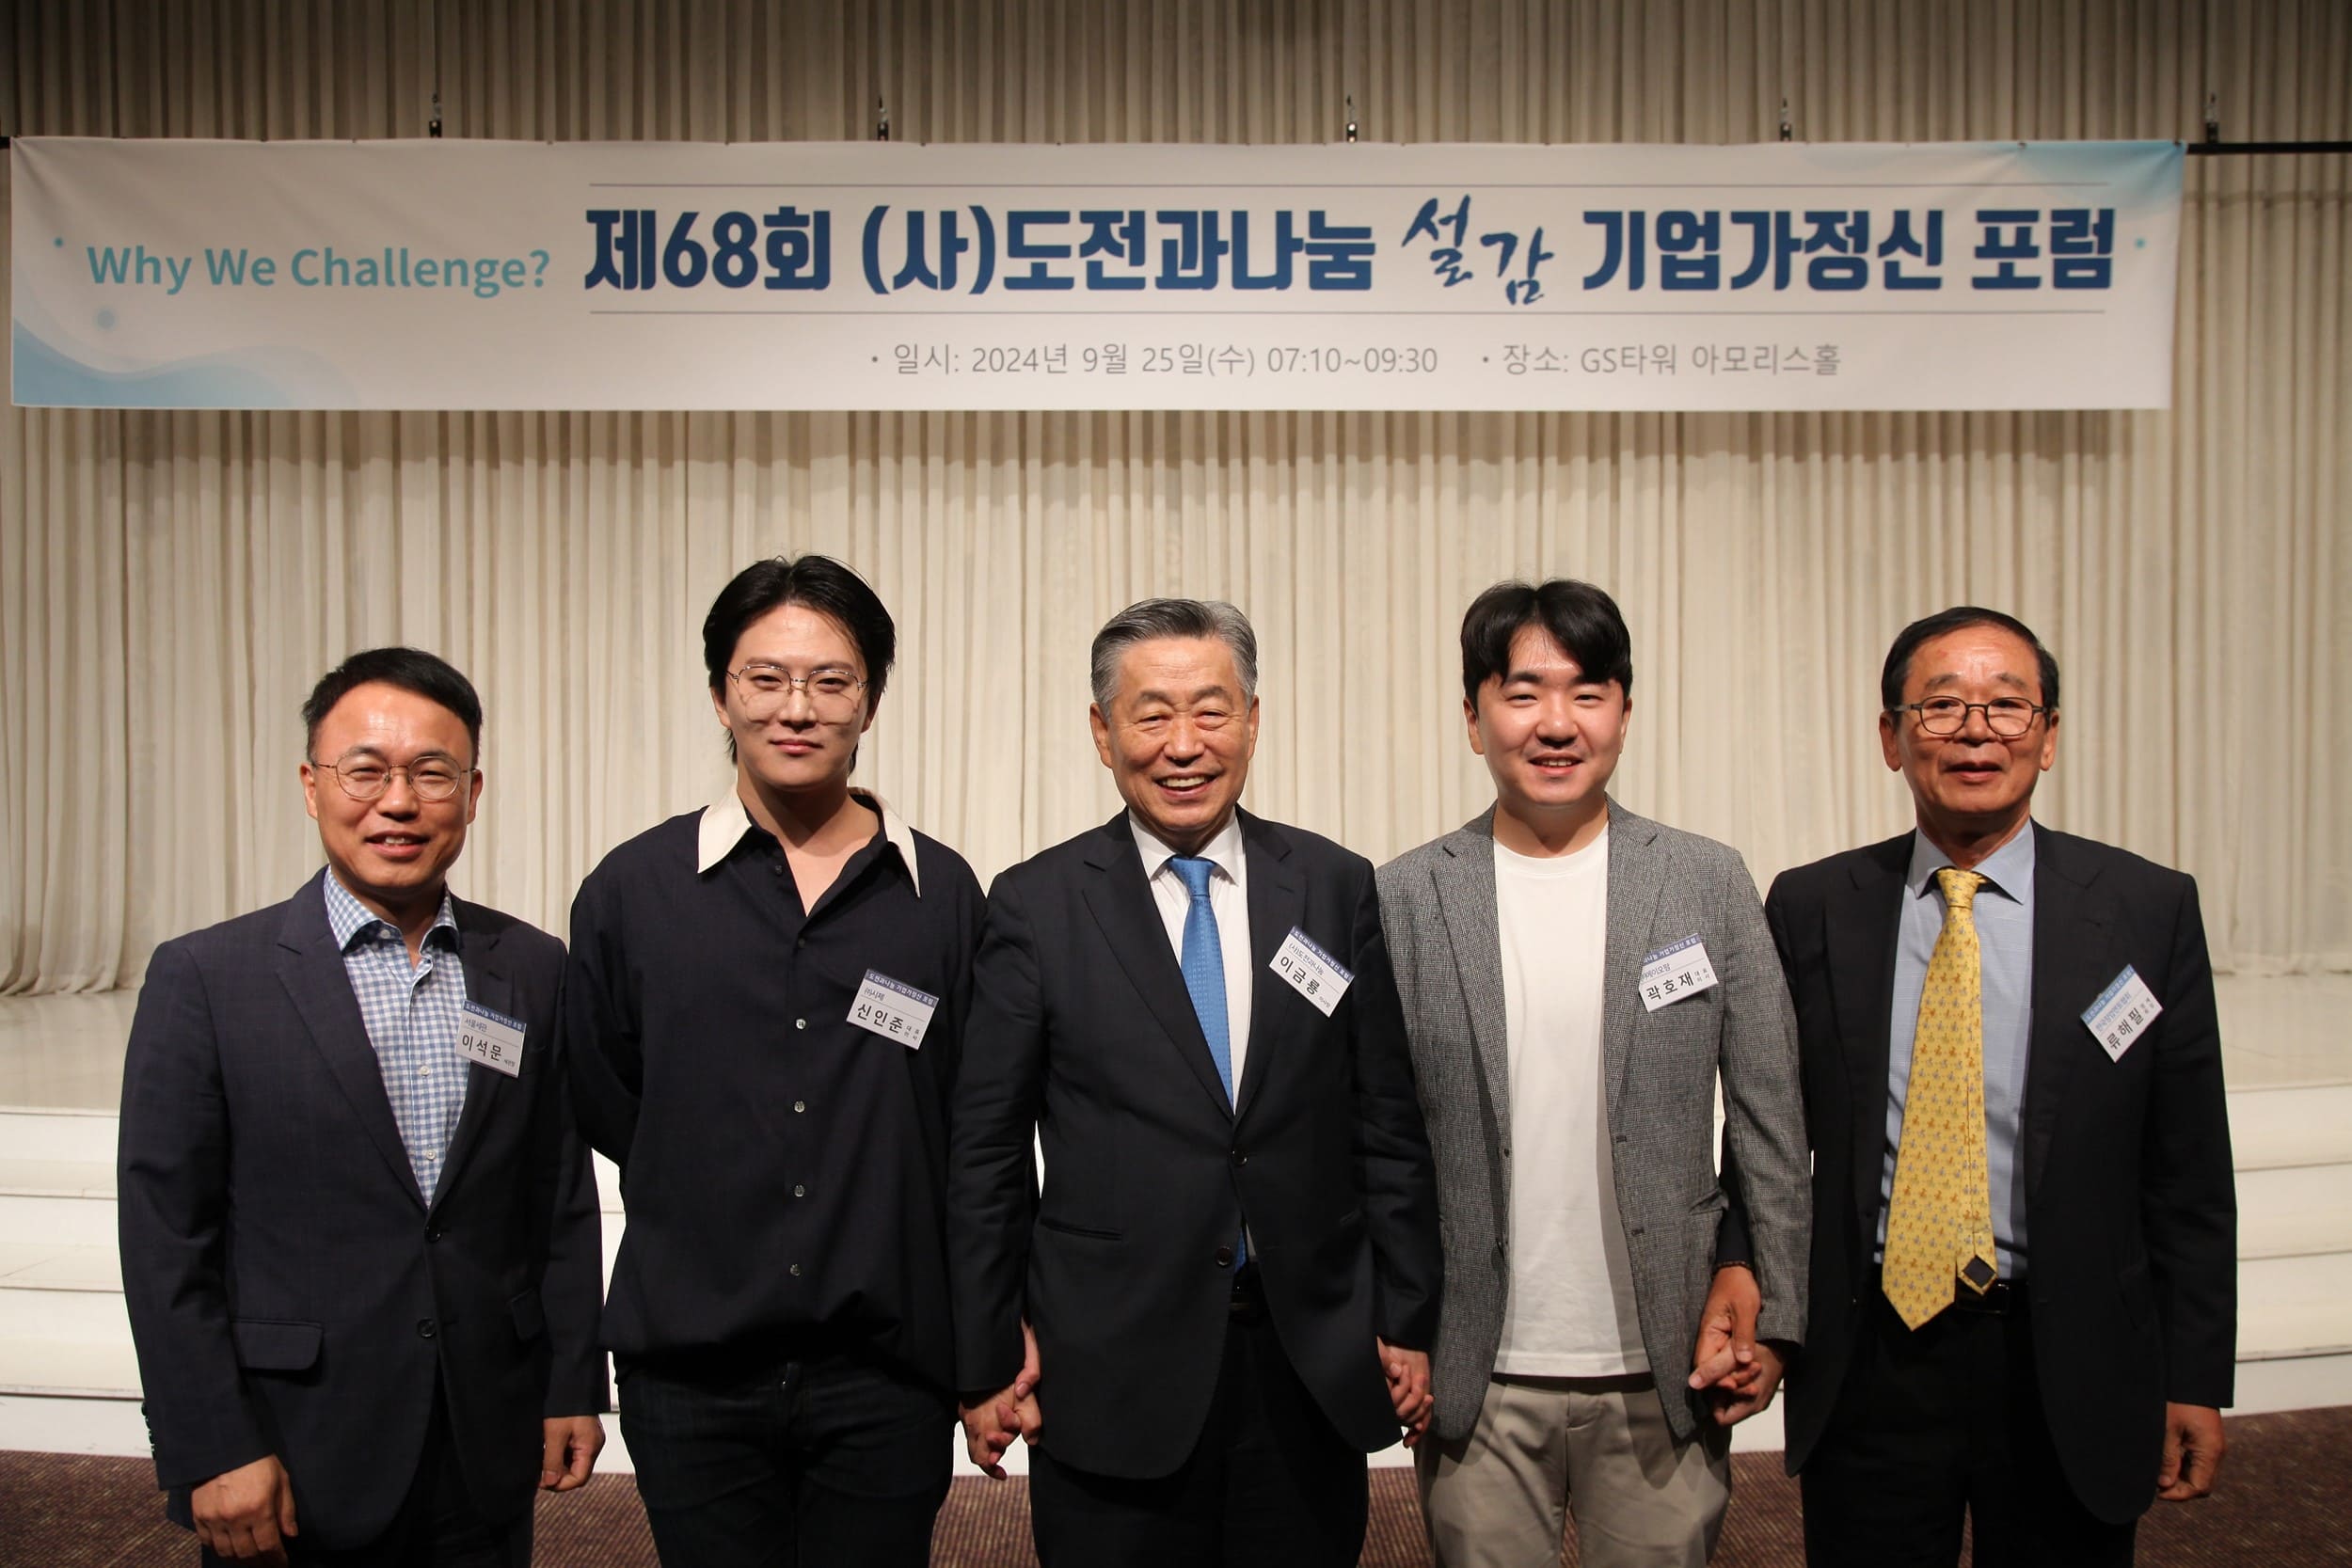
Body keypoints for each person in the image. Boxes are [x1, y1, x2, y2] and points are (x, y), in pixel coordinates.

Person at [947, 597, 1443, 1567]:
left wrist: (1404, 1314)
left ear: (1252, 719)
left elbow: (1385, 1121)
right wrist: (988, 1348)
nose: (1184, 744)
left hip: (1305, 1357)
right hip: (1109, 1365)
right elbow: (987, 1155)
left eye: (1211, 711)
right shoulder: (1038, 904)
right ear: (1103, 732)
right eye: (1152, 714)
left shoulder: (1333, 886)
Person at [1768, 606, 2236, 1567]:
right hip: (1874, 1351)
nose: (1975, 731)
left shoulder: (2146, 908)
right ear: (1891, 737)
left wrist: (2193, 1373)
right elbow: (1771, 1136)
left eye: (2007, 706)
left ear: (2048, 734)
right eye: (1940, 706)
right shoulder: (1813, 904)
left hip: (2068, 1347)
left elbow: (2187, 1169)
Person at [118, 647, 606, 1567]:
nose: (399, 801)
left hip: (482, 1437)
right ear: (312, 786)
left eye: (432, 772)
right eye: (366, 770)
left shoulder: (531, 967)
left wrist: (571, 1380)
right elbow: (164, 1237)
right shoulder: (208, 977)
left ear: (473, 792)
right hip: (293, 1449)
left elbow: (558, 1197)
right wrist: (211, 1442)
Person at [1376, 578, 1811, 1568]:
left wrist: (1777, 1311)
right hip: (1476, 1369)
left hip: (1668, 1362)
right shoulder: (1405, 896)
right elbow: (1377, 1138)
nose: (1556, 723)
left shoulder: (1706, 879)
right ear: (1473, 717)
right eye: (1522, 692)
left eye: (1586, 691)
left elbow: (1770, 1120)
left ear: (1624, 708)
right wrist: (1390, 1321)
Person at [563, 555, 985, 1567]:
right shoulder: (633, 890)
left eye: (831, 680)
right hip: (692, 1369)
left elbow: (969, 1119)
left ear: (870, 701)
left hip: (886, 1372)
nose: (797, 707)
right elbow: (612, 1097)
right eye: (766, 678)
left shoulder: (940, 896)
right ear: (721, 695)